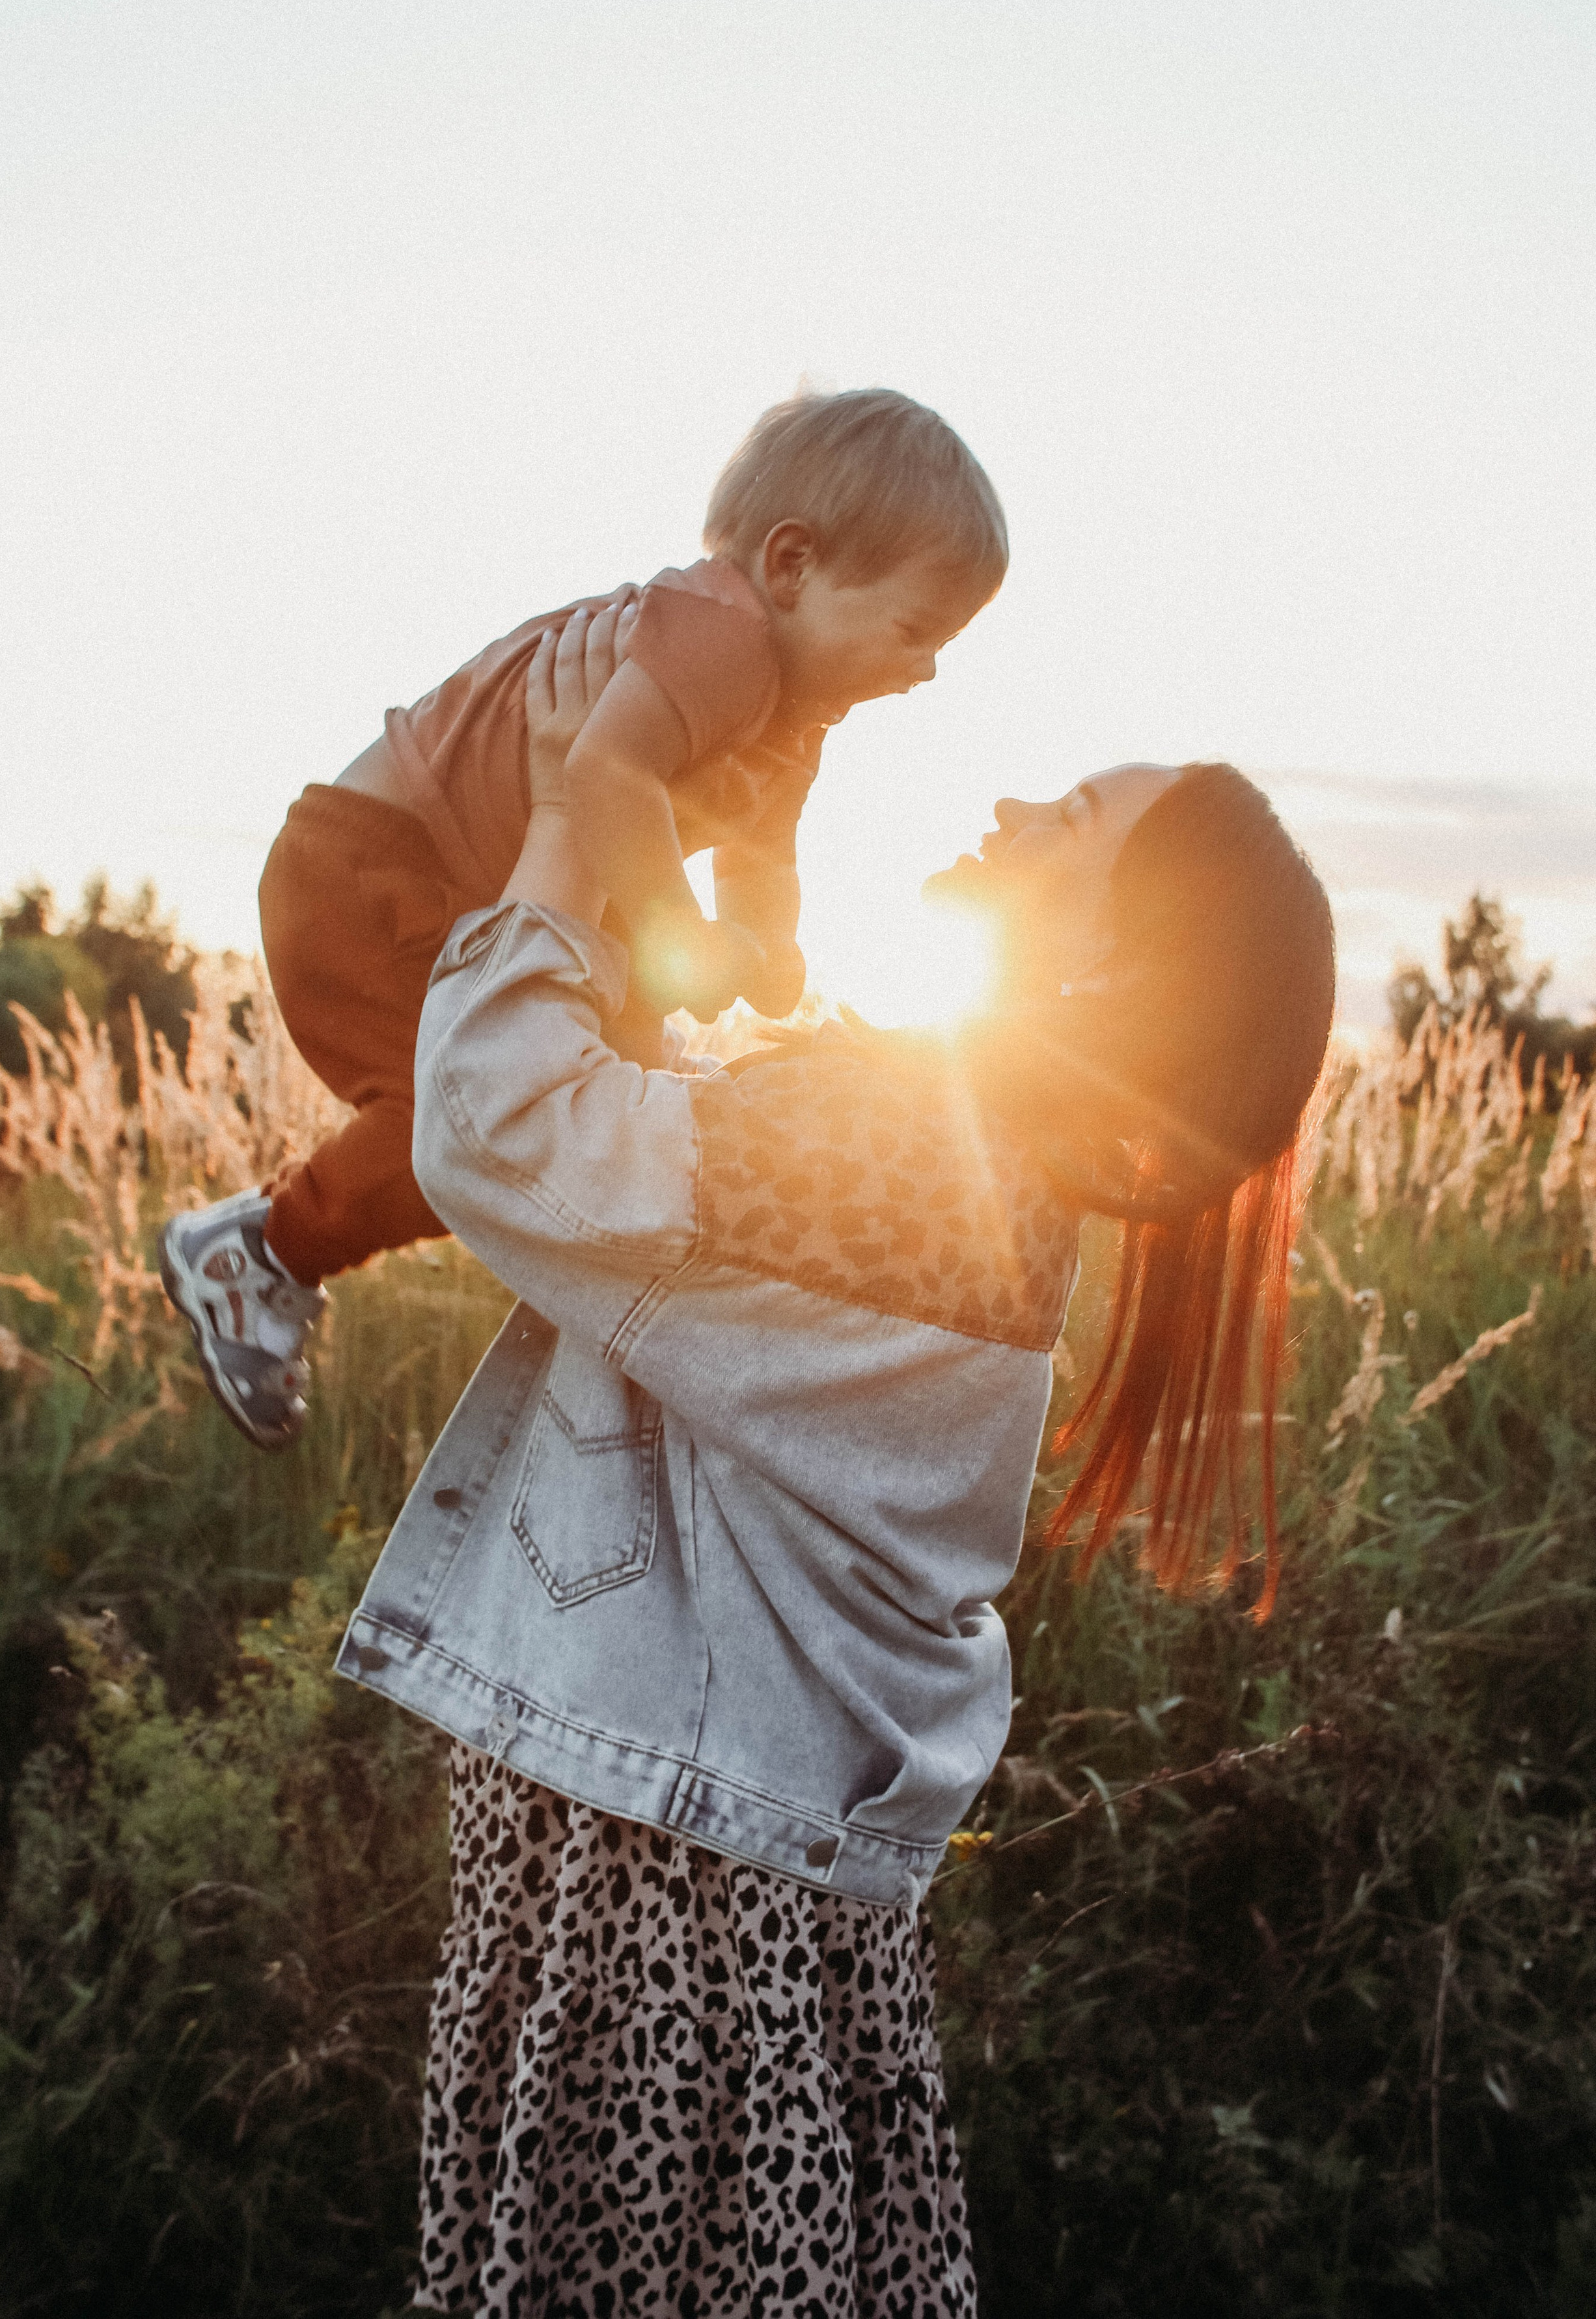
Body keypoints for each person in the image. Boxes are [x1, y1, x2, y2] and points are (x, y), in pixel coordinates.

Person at [331, 618, 1336, 2314]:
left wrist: (587, 807)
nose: (1021, 801)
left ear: (1110, 959)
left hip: (660, 1874)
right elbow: (665, 1112)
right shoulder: (947, 1147)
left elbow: (503, 1127)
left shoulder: (911, 1149)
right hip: (711, 1844)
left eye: (1077, 819)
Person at [156, 389, 1005, 1452]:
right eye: (916, 629)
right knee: (472, 1118)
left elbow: (765, 853)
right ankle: (261, 1248)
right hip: (373, 869)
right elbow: (606, 772)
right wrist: (682, 940)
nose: (927, 670)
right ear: (792, 567)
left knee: (608, 1110)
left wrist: (772, 952)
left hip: (492, 898)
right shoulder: (720, 637)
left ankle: (627, 1343)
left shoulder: (795, 719)